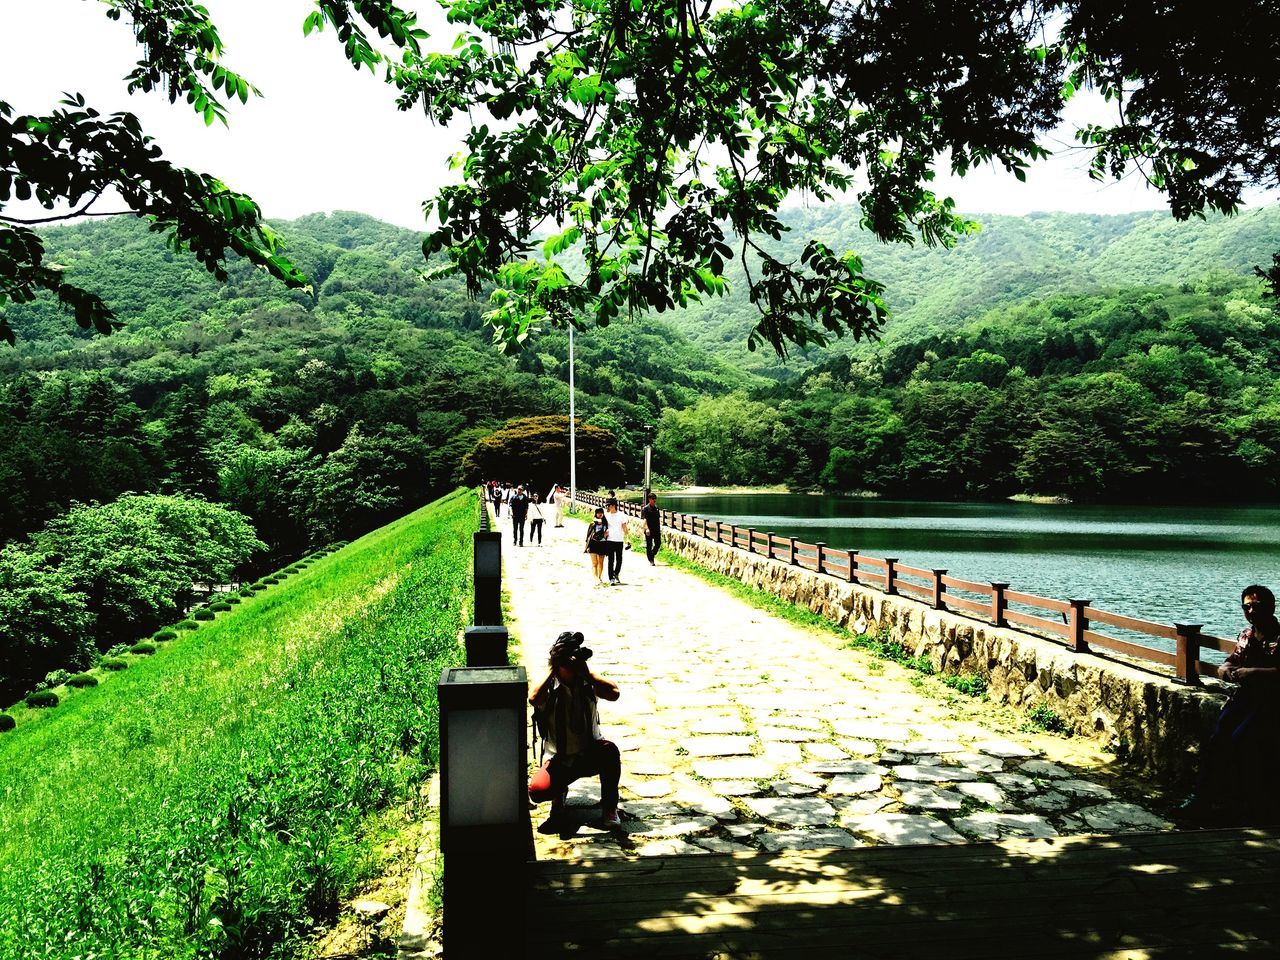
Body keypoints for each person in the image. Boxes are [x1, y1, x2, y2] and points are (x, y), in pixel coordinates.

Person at [1178, 584, 1280, 825]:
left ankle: (1245, 806)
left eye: (1256, 606)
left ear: (1271, 607)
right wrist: (1225, 669)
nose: (1251, 611)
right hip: (1245, 699)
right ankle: (1201, 801)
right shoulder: (1245, 635)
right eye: (1247, 607)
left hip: (1272, 702)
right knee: (1216, 741)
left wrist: (1255, 673)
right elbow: (1232, 659)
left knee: (1242, 740)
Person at [528, 631, 621, 832]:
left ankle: (610, 807)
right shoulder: (550, 686)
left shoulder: (588, 682)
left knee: (610, 751)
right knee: (538, 790)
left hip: (589, 753)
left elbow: (614, 693)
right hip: (559, 759)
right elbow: (534, 698)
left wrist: (587, 674)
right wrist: (553, 667)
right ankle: (558, 796)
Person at [602, 498, 629, 585]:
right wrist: (604, 533)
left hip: (619, 540)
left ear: (613, 505)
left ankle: (616, 573)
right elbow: (602, 525)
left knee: (619, 559)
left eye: (608, 505)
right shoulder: (606, 515)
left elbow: (625, 528)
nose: (607, 507)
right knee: (611, 560)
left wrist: (627, 539)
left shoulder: (621, 515)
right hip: (610, 540)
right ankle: (611, 578)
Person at [583, 507, 609, 584]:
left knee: (601, 562)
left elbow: (608, 535)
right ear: (596, 514)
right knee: (594, 563)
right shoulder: (592, 524)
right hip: (593, 544)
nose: (599, 514)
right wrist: (587, 546)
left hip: (603, 544)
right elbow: (588, 536)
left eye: (601, 512)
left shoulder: (606, 524)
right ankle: (595, 578)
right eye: (598, 513)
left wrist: (606, 534)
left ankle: (599, 577)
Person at [640, 491, 661, 566]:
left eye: (655, 498)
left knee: (658, 543)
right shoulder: (645, 508)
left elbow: (658, 519)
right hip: (649, 529)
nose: (654, 500)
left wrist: (659, 528)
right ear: (649, 499)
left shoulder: (656, 508)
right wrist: (647, 529)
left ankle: (652, 554)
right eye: (653, 499)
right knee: (649, 545)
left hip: (656, 529)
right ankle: (651, 560)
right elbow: (645, 520)